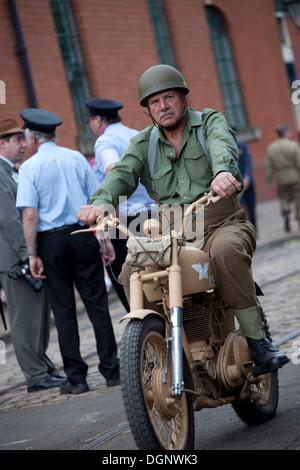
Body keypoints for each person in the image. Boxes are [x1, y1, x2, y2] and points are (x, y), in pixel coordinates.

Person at [77, 64, 289, 377]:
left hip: (221, 223)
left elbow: (223, 148)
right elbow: (120, 174)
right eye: (154, 102)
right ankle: (154, 346)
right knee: (131, 268)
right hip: (172, 230)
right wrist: (100, 203)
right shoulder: (144, 143)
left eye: (168, 97)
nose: (162, 106)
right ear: (148, 110)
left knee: (225, 253)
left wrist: (224, 173)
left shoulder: (209, 123)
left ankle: (259, 343)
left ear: (182, 97)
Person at [16, 109, 120, 394]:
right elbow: (98, 200)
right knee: (98, 305)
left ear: (33, 137)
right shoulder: (75, 157)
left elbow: (29, 216)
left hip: (51, 243)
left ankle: (77, 378)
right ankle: (112, 370)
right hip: (83, 236)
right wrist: (105, 239)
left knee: (63, 311)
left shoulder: (29, 167)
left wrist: (33, 254)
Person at [0, 118, 65, 393]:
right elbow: (9, 220)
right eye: (17, 140)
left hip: (22, 256)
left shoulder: (11, 171)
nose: (24, 145)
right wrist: (28, 255)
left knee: (38, 316)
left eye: (23, 139)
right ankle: (35, 375)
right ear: (1, 144)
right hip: (14, 259)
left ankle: (42, 365)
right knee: (25, 318)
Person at [85, 98, 154, 311]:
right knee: (157, 278)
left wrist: (109, 228)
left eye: (89, 120)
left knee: (129, 286)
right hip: (155, 215)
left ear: (97, 120)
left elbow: (113, 172)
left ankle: (146, 333)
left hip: (126, 222)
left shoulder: (105, 141)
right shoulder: (136, 134)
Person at [266, 123, 300, 232]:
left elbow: (269, 167)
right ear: (286, 133)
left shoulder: (271, 148)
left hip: (281, 179)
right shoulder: (293, 145)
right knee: (298, 200)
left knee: (284, 198)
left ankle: (286, 214)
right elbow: (298, 162)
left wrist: (270, 180)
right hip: (295, 177)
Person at [237, 140, 257, 232]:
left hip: (248, 184)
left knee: (252, 209)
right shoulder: (223, 146)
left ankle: (255, 231)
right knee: (241, 212)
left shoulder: (241, 145)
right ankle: (248, 232)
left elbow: (247, 162)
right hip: (237, 188)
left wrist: (246, 177)